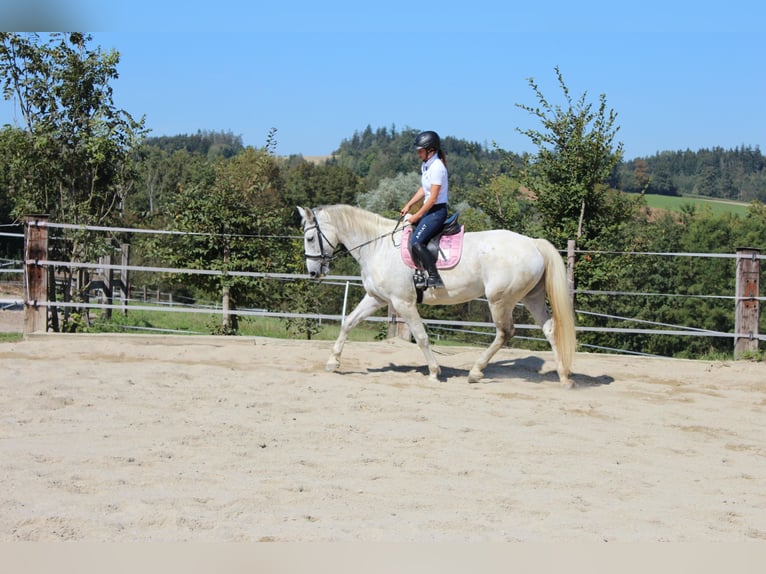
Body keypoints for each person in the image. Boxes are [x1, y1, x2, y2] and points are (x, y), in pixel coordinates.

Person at [400, 130, 449, 288]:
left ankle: (435, 277)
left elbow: (433, 198)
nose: (418, 153)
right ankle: (418, 272)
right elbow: (424, 189)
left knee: (415, 241)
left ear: (431, 150)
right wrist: (409, 205)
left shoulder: (437, 168)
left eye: (420, 150)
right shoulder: (426, 166)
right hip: (430, 210)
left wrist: (417, 215)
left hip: (437, 212)